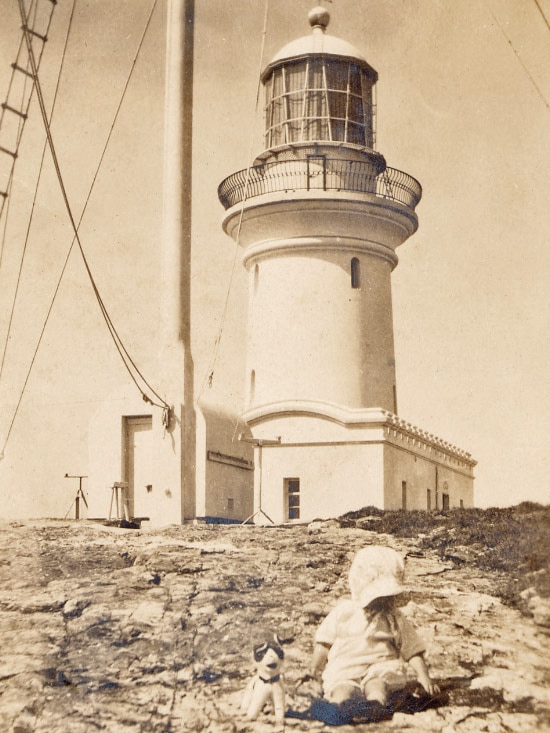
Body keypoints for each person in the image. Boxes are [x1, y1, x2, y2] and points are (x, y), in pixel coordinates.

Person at [310, 545, 439, 722]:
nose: (382, 601)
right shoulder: (345, 612)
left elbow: (412, 649)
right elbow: (324, 643)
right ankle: (340, 707)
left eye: (387, 596)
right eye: (377, 597)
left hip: (380, 666)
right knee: (342, 688)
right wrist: (314, 670)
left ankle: (375, 706)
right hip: (346, 666)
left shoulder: (395, 617)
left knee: (377, 686)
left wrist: (423, 676)